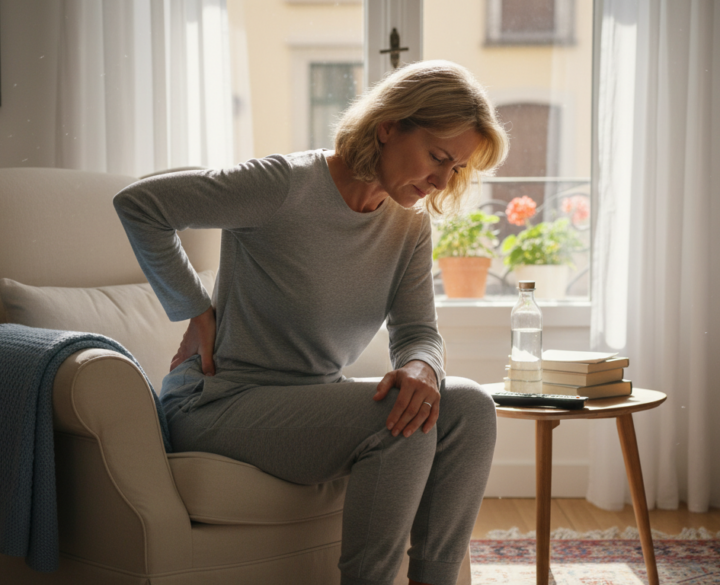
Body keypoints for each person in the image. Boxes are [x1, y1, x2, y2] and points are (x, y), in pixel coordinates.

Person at [114, 60, 509, 585]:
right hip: (218, 401)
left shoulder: (407, 226)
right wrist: (195, 308)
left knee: (470, 405)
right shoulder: (285, 184)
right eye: (438, 157)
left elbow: (417, 331)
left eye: (456, 169)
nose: (441, 180)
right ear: (388, 126)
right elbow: (141, 204)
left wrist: (422, 367)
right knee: (402, 418)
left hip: (311, 402)